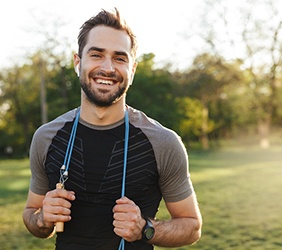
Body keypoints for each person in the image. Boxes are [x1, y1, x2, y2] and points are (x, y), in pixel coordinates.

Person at [22, 8, 202, 250]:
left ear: (133, 70)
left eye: (120, 58)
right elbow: (31, 216)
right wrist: (42, 218)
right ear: (78, 62)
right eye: (96, 55)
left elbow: (191, 226)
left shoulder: (163, 142)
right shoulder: (46, 137)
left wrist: (144, 228)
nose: (108, 68)